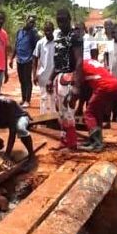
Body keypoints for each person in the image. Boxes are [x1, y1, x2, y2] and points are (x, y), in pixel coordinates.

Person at [46, 9, 84, 151]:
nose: (61, 22)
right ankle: (64, 141)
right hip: (59, 78)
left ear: (69, 19)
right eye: (59, 19)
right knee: (60, 112)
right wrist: (50, 79)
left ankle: (72, 143)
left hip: (70, 78)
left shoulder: (75, 37)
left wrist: (77, 85)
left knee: (69, 112)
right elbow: (58, 62)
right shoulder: (59, 36)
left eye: (63, 19)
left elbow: (79, 61)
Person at [79, 59, 117, 152]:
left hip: (104, 86)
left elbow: (79, 84)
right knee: (98, 114)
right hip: (114, 84)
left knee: (89, 114)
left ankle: (97, 143)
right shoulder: (91, 61)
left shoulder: (79, 65)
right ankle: (96, 140)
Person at [10, 16, 40, 108]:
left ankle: (27, 100)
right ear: (26, 21)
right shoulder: (20, 32)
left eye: (33, 22)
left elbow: (36, 48)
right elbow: (17, 45)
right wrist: (12, 58)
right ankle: (23, 99)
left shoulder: (33, 34)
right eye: (30, 21)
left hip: (28, 60)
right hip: (19, 60)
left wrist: (35, 60)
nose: (31, 24)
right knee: (22, 80)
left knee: (27, 80)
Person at [33, 21, 56, 115]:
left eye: (49, 30)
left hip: (55, 74)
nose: (47, 32)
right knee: (44, 97)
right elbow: (34, 59)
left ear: (53, 30)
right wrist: (34, 74)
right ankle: (43, 118)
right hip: (43, 74)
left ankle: (53, 118)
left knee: (54, 97)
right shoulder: (40, 43)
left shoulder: (58, 43)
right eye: (46, 30)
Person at [75, 22, 98, 117]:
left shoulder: (90, 39)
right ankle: (79, 108)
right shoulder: (74, 39)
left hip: (88, 69)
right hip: (77, 68)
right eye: (76, 28)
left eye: (79, 28)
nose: (77, 30)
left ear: (84, 28)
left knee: (88, 90)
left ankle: (87, 111)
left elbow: (94, 55)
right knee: (79, 90)